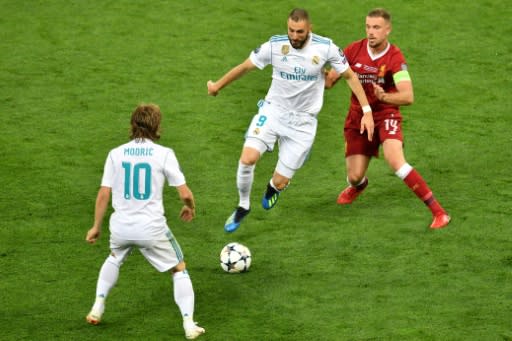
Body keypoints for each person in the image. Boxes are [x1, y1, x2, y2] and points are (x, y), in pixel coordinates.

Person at [207, 8, 373, 233]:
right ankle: (243, 205)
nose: (294, 36)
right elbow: (245, 66)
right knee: (247, 158)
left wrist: (366, 110)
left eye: (300, 32)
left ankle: (275, 187)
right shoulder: (275, 46)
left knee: (280, 181)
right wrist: (217, 85)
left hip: (303, 124)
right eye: (291, 31)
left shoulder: (326, 48)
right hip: (273, 112)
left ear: (309, 29)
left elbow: (350, 76)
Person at [84, 104, 205, 339]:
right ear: (157, 126)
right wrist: (189, 207)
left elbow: (103, 194)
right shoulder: (164, 154)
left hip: (120, 227)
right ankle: (189, 324)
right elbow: (185, 194)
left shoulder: (115, 153)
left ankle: (98, 305)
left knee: (114, 257)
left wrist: (96, 226)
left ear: (132, 124)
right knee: (179, 269)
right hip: (151, 229)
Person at [325, 8, 450, 229]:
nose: (371, 32)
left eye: (376, 27)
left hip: (386, 115)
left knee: (395, 160)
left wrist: (385, 97)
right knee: (354, 177)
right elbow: (330, 80)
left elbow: (408, 96)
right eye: (368, 27)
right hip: (358, 117)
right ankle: (359, 186)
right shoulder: (353, 50)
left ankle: (439, 213)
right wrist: (313, 69)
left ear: (387, 30)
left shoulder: (395, 58)